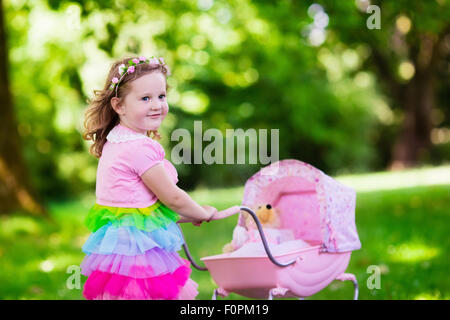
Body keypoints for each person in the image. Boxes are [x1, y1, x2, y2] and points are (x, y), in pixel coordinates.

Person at [80, 56, 218, 300]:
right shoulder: (139, 148)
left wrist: (188, 214)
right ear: (119, 106)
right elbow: (172, 198)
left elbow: (140, 206)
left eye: (161, 96)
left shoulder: (116, 140)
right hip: (138, 252)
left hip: (118, 249)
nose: (157, 105)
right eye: (145, 98)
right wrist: (201, 212)